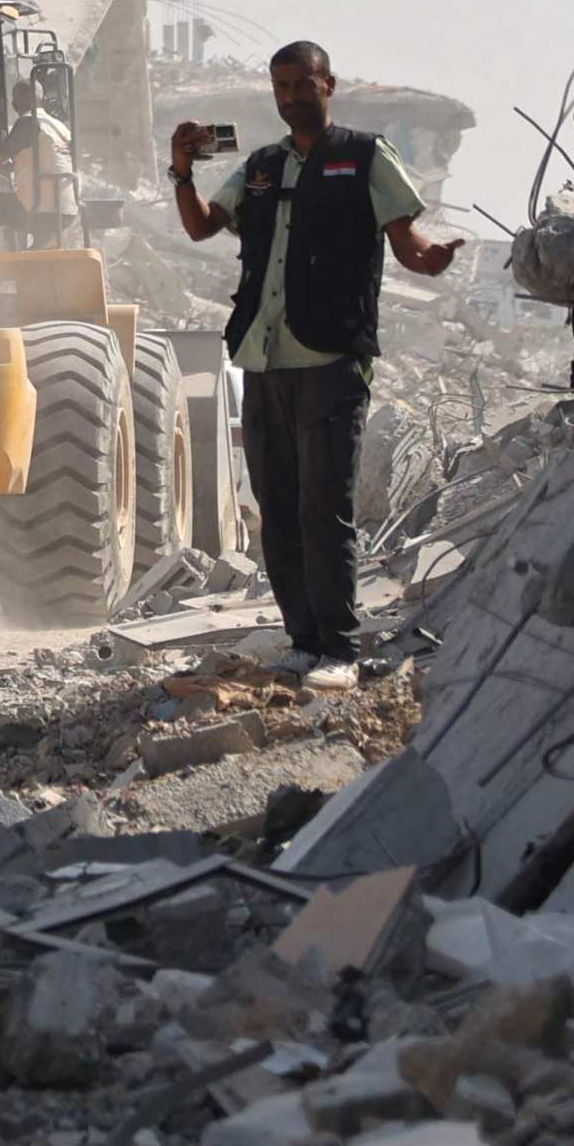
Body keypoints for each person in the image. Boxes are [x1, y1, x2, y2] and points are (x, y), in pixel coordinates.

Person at [169, 43, 460, 693]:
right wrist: (181, 170)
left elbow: (405, 240)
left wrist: (431, 259)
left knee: (322, 505)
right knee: (276, 505)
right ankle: (302, 641)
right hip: (263, 357)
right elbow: (201, 227)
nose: (293, 94)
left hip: (331, 356)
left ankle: (337, 648)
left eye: (304, 83)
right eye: (283, 85)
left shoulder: (362, 156)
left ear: (327, 85)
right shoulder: (263, 167)